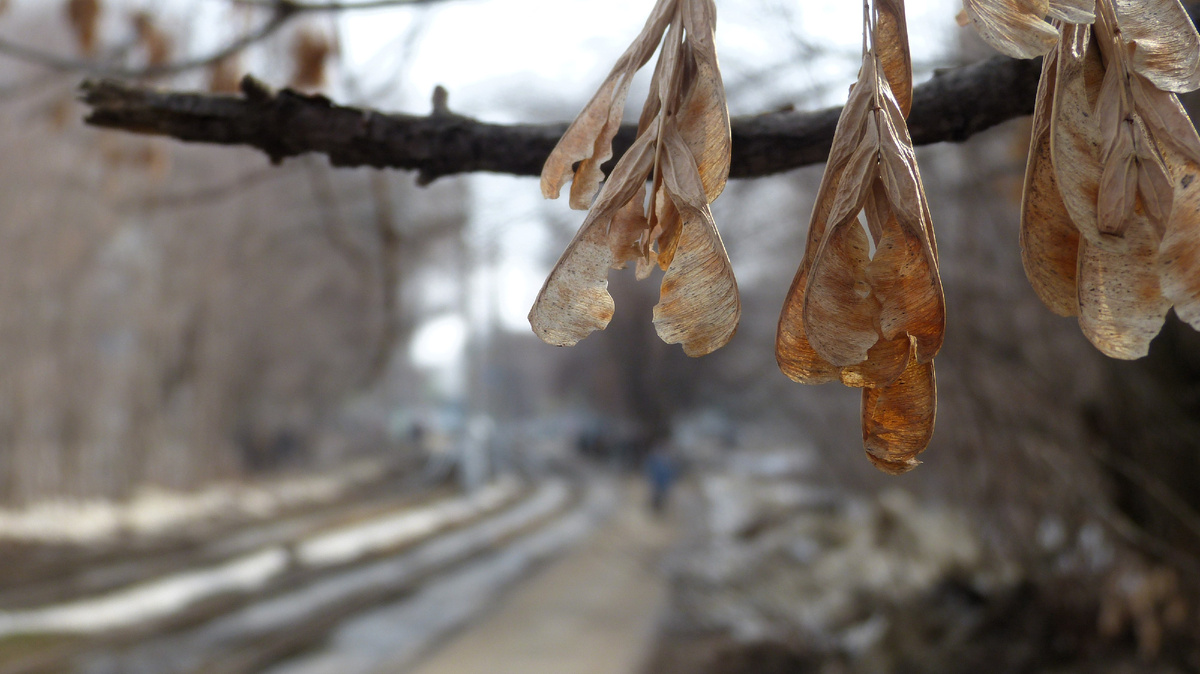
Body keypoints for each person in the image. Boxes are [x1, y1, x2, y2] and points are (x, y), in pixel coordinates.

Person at [645, 449, 676, 514]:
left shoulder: (667, 463)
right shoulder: (657, 462)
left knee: (662, 496)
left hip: (663, 483)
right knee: (656, 495)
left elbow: (670, 473)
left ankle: (660, 508)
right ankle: (655, 507)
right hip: (658, 482)